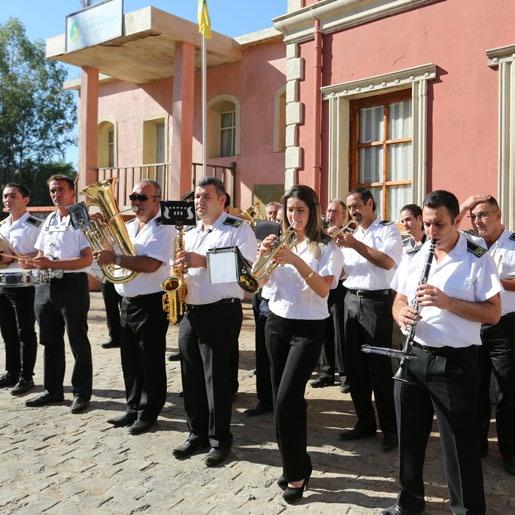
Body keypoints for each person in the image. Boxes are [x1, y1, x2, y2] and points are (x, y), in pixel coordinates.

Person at [384, 190, 502, 515]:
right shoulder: (415, 253)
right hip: (413, 356)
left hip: (454, 362)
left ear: (457, 221)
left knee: (459, 445)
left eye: (439, 225)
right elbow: (397, 299)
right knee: (409, 435)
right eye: (427, 224)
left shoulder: (477, 256)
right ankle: (408, 503)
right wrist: (401, 313)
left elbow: (492, 313)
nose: (432, 232)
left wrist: (448, 302)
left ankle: (467, 510)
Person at [260, 185, 343, 503]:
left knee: (286, 400)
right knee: (286, 402)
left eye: (300, 210)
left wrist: (294, 260)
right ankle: (293, 464)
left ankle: (297, 473)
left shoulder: (327, 247)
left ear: (313, 212)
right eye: (289, 210)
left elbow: (323, 290)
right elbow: (263, 283)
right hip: (276, 323)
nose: (293, 217)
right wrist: (263, 259)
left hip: (308, 328)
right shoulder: (280, 240)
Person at [172, 177, 257, 466]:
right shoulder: (191, 231)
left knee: (217, 381)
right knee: (191, 378)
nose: (199, 202)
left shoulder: (238, 229)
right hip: (191, 311)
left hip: (221, 312)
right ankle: (196, 434)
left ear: (222, 200)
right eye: (197, 197)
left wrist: (202, 260)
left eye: (206, 196)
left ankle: (220, 440)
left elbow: (246, 270)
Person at [94, 180, 175, 435]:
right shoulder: (127, 226)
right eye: (133, 197)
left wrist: (116, 258)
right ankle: (132, 408)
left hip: (151, 302)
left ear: (156, 201)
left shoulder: (164, 227)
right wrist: (100, 231)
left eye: (142, 197)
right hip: (127, 301)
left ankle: (148, 412)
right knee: (129, 359)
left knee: (149, 360)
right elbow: (108, 253)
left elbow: (151, 264)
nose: (136, 202)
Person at [336, 187, 402, 451]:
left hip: (377, 303)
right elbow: (341, 271)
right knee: (354, 367)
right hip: (350, 299)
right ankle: (364, 422)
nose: (353, 212)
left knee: (379, 368)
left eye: (356, 206)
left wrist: (355, 244)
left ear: (370, 204)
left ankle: (390, 428)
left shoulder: (387, 230)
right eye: (350, 208)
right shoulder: (349, 235)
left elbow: (387, 262)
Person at [24, 175, 93, 414]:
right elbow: (42, 252)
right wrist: (33, 262)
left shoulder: (80, 217)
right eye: (53, 191)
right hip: (46, 286)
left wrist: (55, 264)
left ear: (72, 193)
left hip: (72, 285)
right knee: (50, 340)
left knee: (77, 341)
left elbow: (87, 258)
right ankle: (53, 391)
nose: (56, 195)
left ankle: (82, 393)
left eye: (61, 190)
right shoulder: (50, 218)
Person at [461, 195, 515, 476]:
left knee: (507, 391)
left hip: (506, 326)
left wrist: (492, 279)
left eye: (482, 215)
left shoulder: (514, 242)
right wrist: (466, 203)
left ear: (498, 214)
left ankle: (510, 450)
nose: (477, 221)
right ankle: (477, 443)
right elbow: (448, 228)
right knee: (475, 387)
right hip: (477, 323)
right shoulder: (473, 244)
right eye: (474, 216)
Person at [0, 183, 41, 395]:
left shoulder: (36, 225)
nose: (8, 199)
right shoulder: (2, 226)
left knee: (24, 331)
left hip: (25, 285)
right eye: (5, 196)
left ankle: (26, 376)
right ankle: (12, 372)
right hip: (3, 284)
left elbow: (47, 252)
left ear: (26, 200)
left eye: (13, 196)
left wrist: (31, 258)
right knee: (7, 331)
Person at [310, 199, 349, 393]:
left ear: (344, 216)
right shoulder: (320, 237)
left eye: (336, 212)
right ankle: (326, 373)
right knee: (323, 330)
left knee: (340, 332)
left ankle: (345, 376)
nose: (331, 215)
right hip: (321, 285)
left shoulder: (350, 236)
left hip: (341, 286)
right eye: (329, 211)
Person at [100, 280, 122, 349]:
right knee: (110, 308)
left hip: (123, 279)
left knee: (125, 307)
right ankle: (114, 338)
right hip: (107, 279)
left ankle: (127, 338)